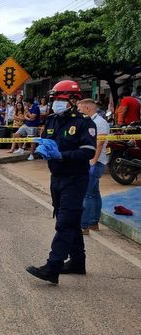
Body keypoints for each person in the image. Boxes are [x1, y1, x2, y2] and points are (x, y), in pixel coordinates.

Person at [26, 80, 96, 284]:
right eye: (54, 99)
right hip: (56, 177)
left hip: (75, 179)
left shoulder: (84, 122)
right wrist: (44, 150)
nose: (56, 102)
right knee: (69, 219)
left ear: (73, 100)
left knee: (64, 222)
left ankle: (53, 266)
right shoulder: (51, 120)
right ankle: (77, 262)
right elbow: (48, 141)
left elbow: (88, 152)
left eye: (60, 99)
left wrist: (61, 155)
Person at [78, 98, 110, 235]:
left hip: (95, 162)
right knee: (94, 193)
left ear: (88, 109)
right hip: (92, 162)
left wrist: (93, 160)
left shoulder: (100, 123)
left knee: (87, 194)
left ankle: (83, 226)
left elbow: (100, 143)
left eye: (80, 109)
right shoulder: (90, 122)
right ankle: (93, 222)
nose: (78, 111)